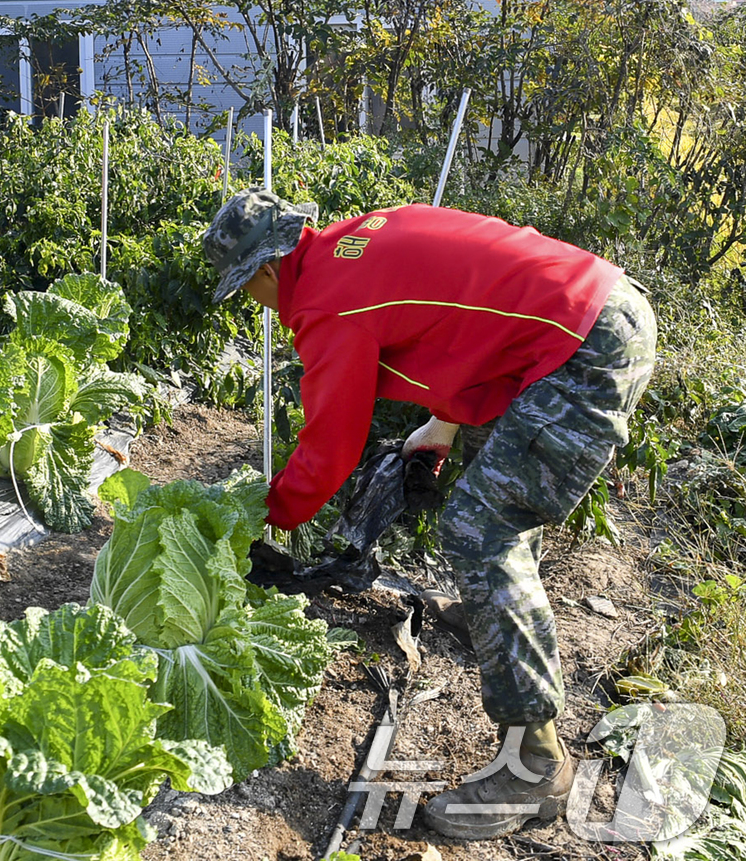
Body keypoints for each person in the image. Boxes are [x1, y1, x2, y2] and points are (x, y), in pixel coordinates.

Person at [203, 189, 656, 840]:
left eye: (246, 288)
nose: (255, 303)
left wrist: (258, 515)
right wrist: (440, 426)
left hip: (583, 348)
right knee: (490, 511)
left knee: (479, 530)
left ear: (266, 269)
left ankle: (535, 764)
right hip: (602, 309)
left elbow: (329, 450)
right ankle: (492, 616)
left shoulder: (329, 305)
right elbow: (470, 318)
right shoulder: (354, 242)